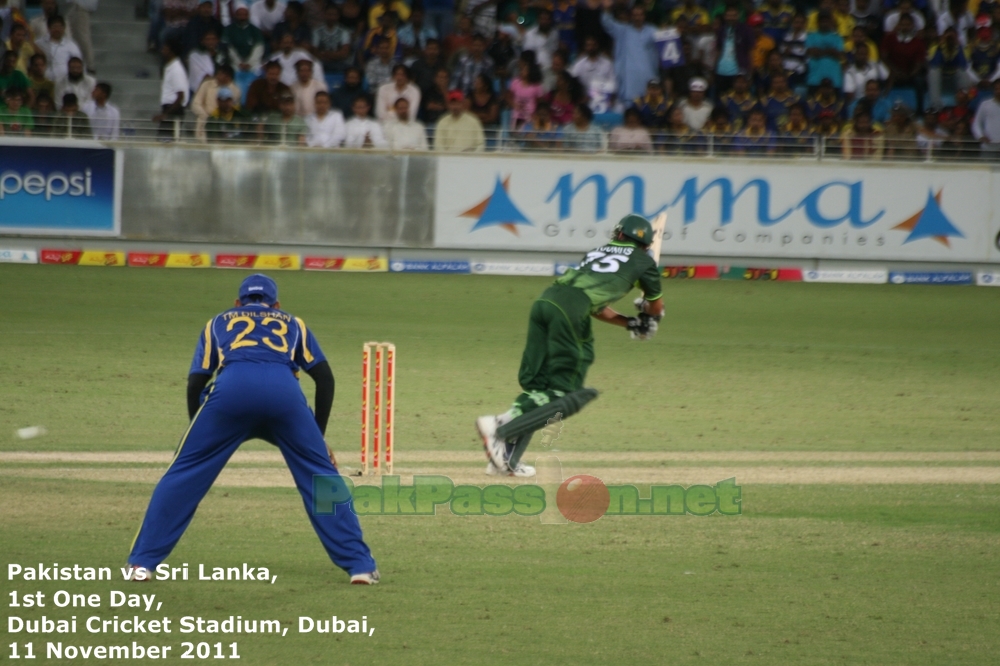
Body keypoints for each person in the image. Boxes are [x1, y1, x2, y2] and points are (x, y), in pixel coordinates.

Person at [127, 275, 380, 585]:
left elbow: (196, 382)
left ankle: (142, 564)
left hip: (231, 395)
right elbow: (325, 379)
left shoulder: (218, 321)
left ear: (238, 303)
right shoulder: (293, 323)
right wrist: (318, 438)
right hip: (284, 396)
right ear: (276, 305)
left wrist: (200, 435)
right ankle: (360, 567)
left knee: (184, 473)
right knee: (321, 477)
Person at [476, 215, 663, 477]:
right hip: (571, 310)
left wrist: (631, 322)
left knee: (538, 388)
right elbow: (656, 304)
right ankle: (497, 428)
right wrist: (648, 314)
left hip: (546, 301)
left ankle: (506, 459)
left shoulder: (597, 252)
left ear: (620, 235)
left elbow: (594, 306)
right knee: (564, 392)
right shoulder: (645, 261)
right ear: (645, 244)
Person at [600, 0, 657, 103]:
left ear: (644, 16)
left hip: (649, 77)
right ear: (631, 16)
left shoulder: (653, 31)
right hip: (629, 81)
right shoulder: (623, 31)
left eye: (640, 15)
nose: (637, 18)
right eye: (635, 15)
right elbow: (607, 23)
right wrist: (607, 9)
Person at [192, 64, 241, 141]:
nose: (218, 76)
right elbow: (195, 104)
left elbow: (234, 110)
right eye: (218, 73)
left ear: (228, 77)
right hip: (205, 120)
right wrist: (205, 116)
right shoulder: (207, 84)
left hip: (224, 124)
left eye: (221, 74)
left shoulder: (235, 91)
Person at [155, 40, 189, 139]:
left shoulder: (176, 70)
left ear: (171, 51)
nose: (162, 51)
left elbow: (180, 96)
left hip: (173, 111)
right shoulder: (169, 67)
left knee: (166, 142)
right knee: (163, 141)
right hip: (170, 109)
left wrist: (165, 115)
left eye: (165, 48)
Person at [36, 15, 82, 82]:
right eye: (54, 27)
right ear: (48, 28)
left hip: (65, 81)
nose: (57, 30)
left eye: (60, 27)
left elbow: (79, 63)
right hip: (45, 80)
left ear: (64, 28)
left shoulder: (71, 45)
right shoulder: (39, 43)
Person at [806, 12, 844, 91]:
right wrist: (829, 51)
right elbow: (813, 52)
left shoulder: (837, 38)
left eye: (827, 21)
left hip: (834, 79)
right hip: (815, 79)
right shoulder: (811, 36)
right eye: (822, 21)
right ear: (818, 22)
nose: (824, 23)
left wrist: (821, 51)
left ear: (830, 22)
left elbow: (838, 54)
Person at [312, 3, 352, 74]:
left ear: (338, 16)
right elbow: (314, 52)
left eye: (334, 15)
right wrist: (335, 54)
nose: (331, 17)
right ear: (324, 14)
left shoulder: (344, 31)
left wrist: (326, 54)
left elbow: (344, 53)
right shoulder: (317, 31)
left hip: (339, 64)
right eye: (329, 14)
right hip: (322, 63)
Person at [66, 0, 96, 72]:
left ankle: (90, 66)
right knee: (71, 35)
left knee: (83, 37)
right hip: (75, 6)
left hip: (81, 7)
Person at [972, 78, 1000, 156]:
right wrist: (980, 136)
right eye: (996, 89)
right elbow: (976, 123)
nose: (998, 91)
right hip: (988, 147)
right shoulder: (985, 104)